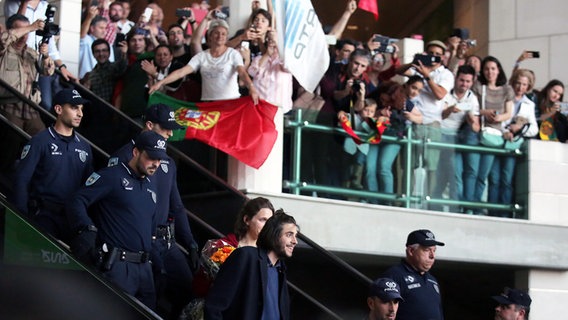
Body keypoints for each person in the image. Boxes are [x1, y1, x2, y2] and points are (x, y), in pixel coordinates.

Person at [108, 104, 198, 319]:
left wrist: (191, 243)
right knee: (148, 299)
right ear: (149, 126)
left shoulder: (168, 161)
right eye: (166, 127)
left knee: (188, 290)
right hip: (139, 241)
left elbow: (176, 205)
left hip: (167, 240)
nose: (170, 132)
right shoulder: (122, 157)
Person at [66, 130, 169, 310]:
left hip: (145, 268)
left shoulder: (150, 186)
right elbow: (77, 200)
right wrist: (86, 229)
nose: (156, 164)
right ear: (136, 152)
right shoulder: (112, 176)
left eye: (160, 160)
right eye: (151, 157)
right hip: (118, 266)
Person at [12, 89, 92, 243]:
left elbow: (87, 188)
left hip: (71, 218)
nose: (80, 114)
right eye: (75, 108)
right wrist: (21, 218)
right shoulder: (40, 141)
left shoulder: (85, 147)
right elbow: (21, 180)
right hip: (43, 216)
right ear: (58, 109)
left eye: (81, 109)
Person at [204, 211, 299, 320]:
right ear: (274, 234)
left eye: (295, 236)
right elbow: (214, 306)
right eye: (289, 235)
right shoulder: (245, 256)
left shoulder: (281, 270)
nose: (295, 241)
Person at [149, 19, 259, 105]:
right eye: (216, 33)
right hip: (208, 104)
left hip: (230, 102)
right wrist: (160, 82)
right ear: (210, 36)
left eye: (223, 34)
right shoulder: (202, 56)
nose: (220, 36)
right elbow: (181, 72)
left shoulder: (233, 54)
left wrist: (251, 88)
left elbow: (242, 73)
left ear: (226, 37)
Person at [396, 40, 454, 195]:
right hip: (412, 122)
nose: (434, 57)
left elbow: (440, 94)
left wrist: (427, 76)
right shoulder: (419, 68)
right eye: (431, 54)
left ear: (443, 57)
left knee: (432, 167)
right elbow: (399, 71)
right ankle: (404, 199)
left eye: (437, 55)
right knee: (408, 164)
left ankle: (431, 202)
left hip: (432, 125)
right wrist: (413, 63)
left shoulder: (446, 74)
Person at [0, 14, 52, 170]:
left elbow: (46, 71)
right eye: (21, 29)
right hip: (8, 106)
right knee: (11, 140)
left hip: (30, 108)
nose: (25, 35)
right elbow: (3, 38)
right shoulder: (4, 49)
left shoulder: (31, 52)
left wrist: (46, 55)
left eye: (28, 31)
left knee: (44, 142)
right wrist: (31, 27)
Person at [487, 69, 538, 217]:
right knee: (494, 179)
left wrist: (519, 129)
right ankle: (492, 213)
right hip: (497, 141)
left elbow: (534, 129)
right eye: (518, 83)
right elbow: (496, 118)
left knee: (506, 179)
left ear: (528, 86)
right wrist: (504, 131)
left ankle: (505, 214)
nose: (520, 87)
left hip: (512, 146)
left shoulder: (529, 104)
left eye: (524, 84)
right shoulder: (503, 96)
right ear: (513, 82)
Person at [432, 65, 480, 211]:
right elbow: (438, 115)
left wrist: (471, 119)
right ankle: (434, 206)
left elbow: (476, 128)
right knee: (437, 173)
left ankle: (455, 209)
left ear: (472, 82)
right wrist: (450, 109)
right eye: (461, 80)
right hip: (440, 134)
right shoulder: (446, 93)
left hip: (456, 139)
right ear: (456, 79)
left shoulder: (472, 98)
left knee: (455, 173)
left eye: (467, 81)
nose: (464, 84)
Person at [472, 56, 514, 212]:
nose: (490, 72)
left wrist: (498, 117)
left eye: (493, 68)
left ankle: (494, 211)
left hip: (498, 135)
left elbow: (508, 113)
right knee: (482, 175)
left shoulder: (506, 89)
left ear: (498, 70)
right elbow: (472, 108)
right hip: (483, 134)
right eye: (487, 69)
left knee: (496, 178)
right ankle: (475, 208)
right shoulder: (478, 87)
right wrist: (485, 113)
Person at [382, 229, 445, 320]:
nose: (432, 256)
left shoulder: (433, 280)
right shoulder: (393, 276)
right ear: (411, 251)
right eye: (427, 250)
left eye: (434, 250)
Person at [82, 38, 127, 103]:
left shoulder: (115, 67)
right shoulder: (90, 75)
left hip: (114, 109)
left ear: (109, 52)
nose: (101, 54)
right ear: (93, 54)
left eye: (104, 50)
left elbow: (123, 66)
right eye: (97, 51)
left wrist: (124, 54)